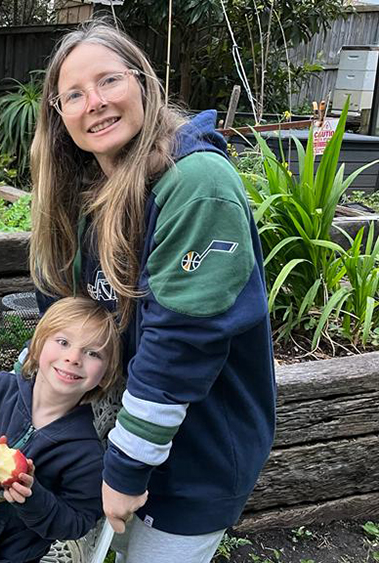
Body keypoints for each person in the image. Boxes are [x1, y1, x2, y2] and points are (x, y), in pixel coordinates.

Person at [28, 20, 276, 563]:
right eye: (73, 94)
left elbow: (180, 345)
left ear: (142, 82)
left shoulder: (197, 186)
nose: (94, 102)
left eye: (109, 81)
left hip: (194, 458)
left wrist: (124, 466)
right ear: (58, 114)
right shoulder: (89, 192)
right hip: (115, 440)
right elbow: (69, 316)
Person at [0, 296, 121, 563]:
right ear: (37, 347)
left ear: (105, 375)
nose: (73, 358)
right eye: (63, 342)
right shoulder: (0, 388)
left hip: (3, 555)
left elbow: (78, 522)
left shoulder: (85, 453)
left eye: (93, 353)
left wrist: (33, 498)